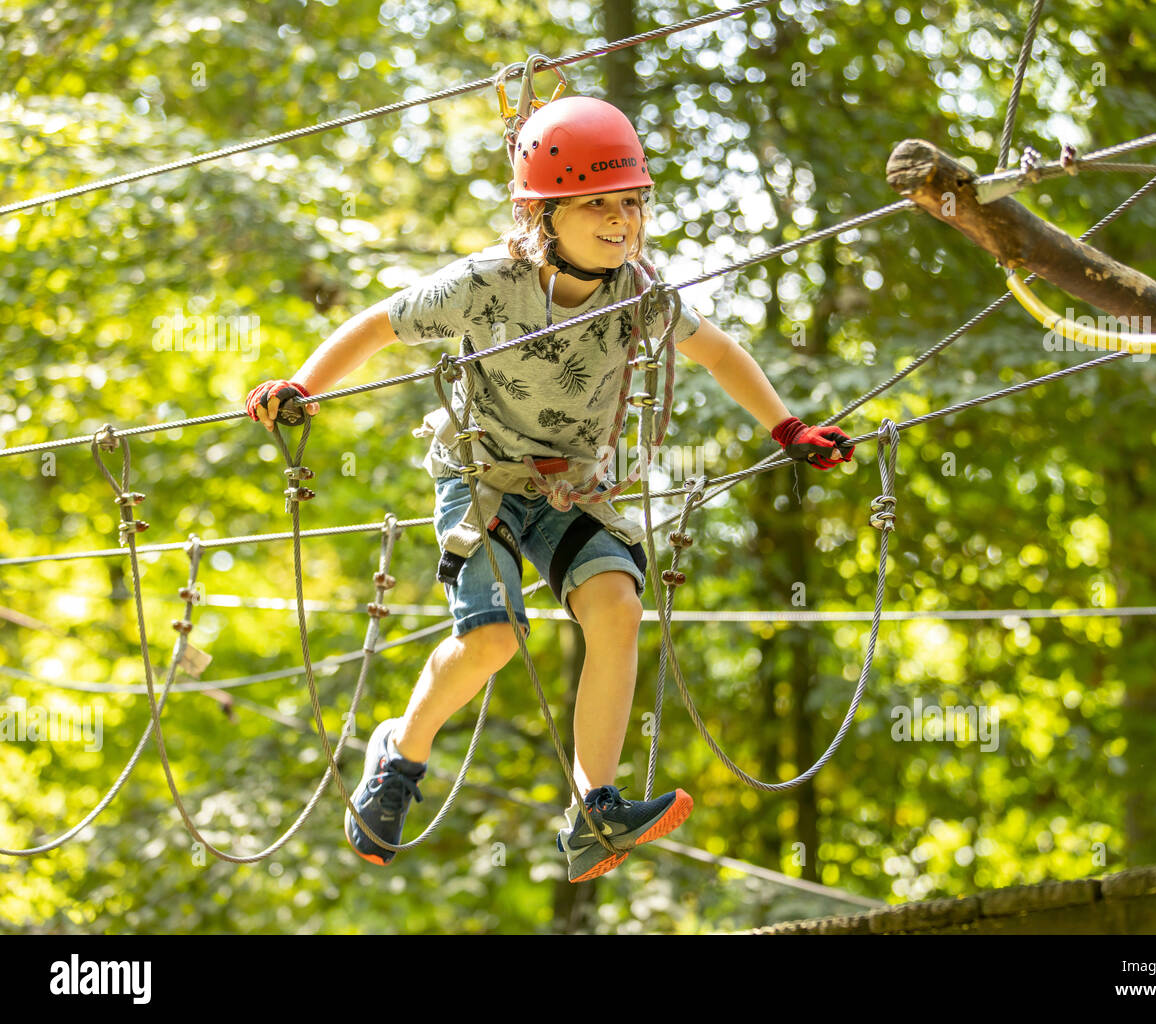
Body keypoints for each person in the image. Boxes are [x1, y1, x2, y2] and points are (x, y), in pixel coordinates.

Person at [245, 95, 855, 883]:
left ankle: (592, 811)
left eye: (630, 203)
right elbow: (378, 324)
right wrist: (302, 384)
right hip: (484, 481)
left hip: (570, 488)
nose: (619, 220)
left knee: (618, 605)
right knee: (494, 638)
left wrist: (787, 428)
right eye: (597, 204)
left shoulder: (642, 294)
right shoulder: (485, 284)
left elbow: (720, 352)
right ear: (543, 215)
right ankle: (399, 753)